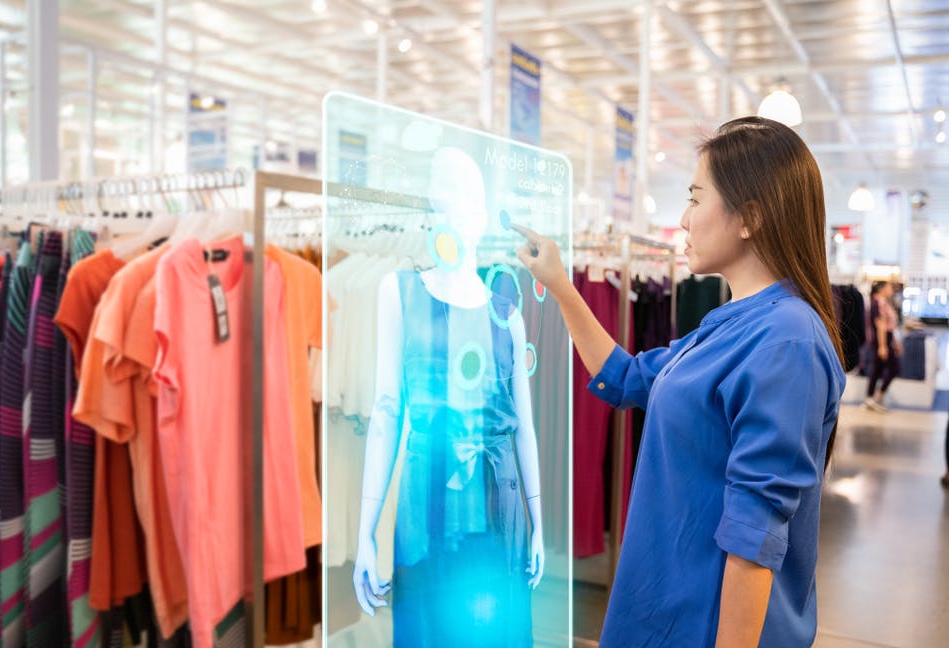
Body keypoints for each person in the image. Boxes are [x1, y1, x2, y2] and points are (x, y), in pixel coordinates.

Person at [514, 116, 846, 647]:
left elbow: (754, 538)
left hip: (705, 625)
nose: (684, 220)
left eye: (696, 198)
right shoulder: (731, 321)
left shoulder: (787, 340)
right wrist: (561, 285)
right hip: (663, 608)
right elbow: (626, 378)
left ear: (750, 217)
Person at [351, 147, 544, 647]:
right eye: (435, 205)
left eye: (455, 203)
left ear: (480, 217)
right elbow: (386, 412)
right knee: (428, 629)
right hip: (425, 505)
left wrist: (538, 521)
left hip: (500, 511)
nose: (444, 216)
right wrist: (365, 530)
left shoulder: (507, 312)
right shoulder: (400, 293)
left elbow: (524, 425)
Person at [864, 281, 901, 412]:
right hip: (881, 340)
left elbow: (890, 327)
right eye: (889, 287)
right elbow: (880, 326)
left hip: (886, 339)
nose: (892, 289)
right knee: (892, 368)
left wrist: (895, 343)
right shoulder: (878, 303)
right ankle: (874, 398)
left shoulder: (884, 303)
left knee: (878, 369)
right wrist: (883, 346)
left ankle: (872, 398)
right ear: (881, 289)